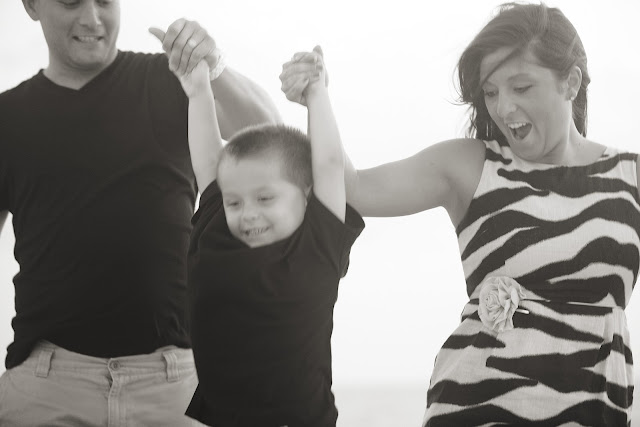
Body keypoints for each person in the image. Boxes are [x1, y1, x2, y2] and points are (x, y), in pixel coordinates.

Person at [281, 2, 638, 425]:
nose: (503, 109)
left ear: (571, 82)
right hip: (476, 409)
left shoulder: (629, 175)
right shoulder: (473, 166)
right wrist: (317, 96)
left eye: (520, 87)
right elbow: (351, 189)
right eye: (490, 92)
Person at [0, 0, 279, 425]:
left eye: (105, 2)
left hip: (177, 385)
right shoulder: (8, 119)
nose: (92, 18)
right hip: (47, 389)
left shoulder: (170, 82)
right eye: (72, 1)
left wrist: (214, 67)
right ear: (32, 5)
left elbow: (273, 144)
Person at [169, 47, 363, 426]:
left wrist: (316, 95)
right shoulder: (214, 235)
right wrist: (198, 92)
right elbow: (209, 162)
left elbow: (328, 164)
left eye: (265, 198)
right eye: (235, 202)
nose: (248, 213)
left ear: (305, 196)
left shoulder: (316, 250)